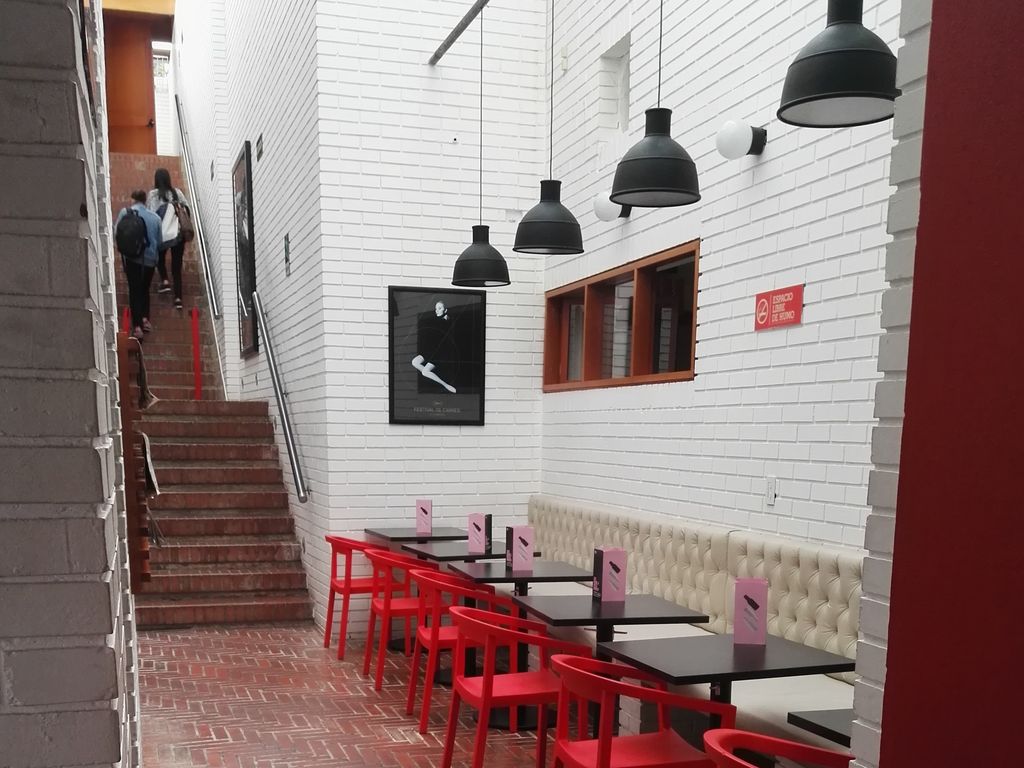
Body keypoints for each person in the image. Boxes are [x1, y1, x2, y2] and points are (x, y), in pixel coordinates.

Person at [114, 190, 161, 340]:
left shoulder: (125, 212)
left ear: (133, 199)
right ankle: (145, 319)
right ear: (145, 201)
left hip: (132, 257)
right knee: (145, 288)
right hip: (150, 260)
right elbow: (160, 242)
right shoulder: (156, 218)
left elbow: (117, 233)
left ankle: (137, 327)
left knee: (134, 290)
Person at [147, 167, 191, 309]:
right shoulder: (177, 193)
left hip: (162, 233)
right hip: (177, 233)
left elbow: (150, 214)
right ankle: (178, 298)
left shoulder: (153, 195)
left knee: (159, 257)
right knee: (176, 266)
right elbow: (187, 210)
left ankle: (165, 280)